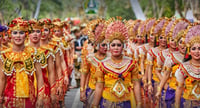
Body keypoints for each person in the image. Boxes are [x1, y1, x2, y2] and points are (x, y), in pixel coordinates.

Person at [92, 17, 141, 108]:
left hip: (127, 102)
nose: (116, 48)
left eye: (119, 45)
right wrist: (95, 105)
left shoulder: (131, 63)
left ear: (123, 47)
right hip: (107, 102)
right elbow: (99, 86)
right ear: (109, 47)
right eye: (113, 45)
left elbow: (136, 84)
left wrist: (139, 103)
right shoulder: (102, 65)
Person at [0, 18, 44, 108]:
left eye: (21, 33)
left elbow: (39, 76)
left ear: (26, 35)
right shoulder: (4, 55)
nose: (18, 36)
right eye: (15, 33)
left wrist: (40, 98)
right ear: (10, 35)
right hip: (9, 99)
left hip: (29, 99)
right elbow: (2, 79)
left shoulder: (33, 53)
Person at [156, 18, 190, 108]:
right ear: (177, 44)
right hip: (173, 91)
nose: (183, 45)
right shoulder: (171, 57)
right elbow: (166, 75)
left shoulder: (194, 59)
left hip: (190, 95)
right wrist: (159, 89)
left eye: (185, 43)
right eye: (180, 42)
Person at [28, 19, 57, 107]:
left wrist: (53, 92)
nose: (35, 34)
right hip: (27, 88)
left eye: (38, 31)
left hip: (44, 88)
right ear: (28, 34)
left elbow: (51, 72)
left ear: (41, 33)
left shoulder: (47, 52)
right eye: (32, 31)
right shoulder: (23, 52)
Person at [80, 19, 108, 108]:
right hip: (92, 88)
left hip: (108, 91)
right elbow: (84, 73)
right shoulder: (89, 57)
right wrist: (82, 90)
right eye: (103, 45)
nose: (105, 47)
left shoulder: (111, 57)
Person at [175, 24, 200, 108]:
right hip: (188, 104)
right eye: (194, 49)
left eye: (199, 48)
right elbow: (179, 88)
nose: (197, 51)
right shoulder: (183, 68)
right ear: (189, 51)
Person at [147, 17, 168, 107]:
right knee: (158, 103)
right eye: (161, 38)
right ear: (157, 39)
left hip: (171, 82)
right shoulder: (152, 51)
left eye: (165, 38)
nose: (163, 40)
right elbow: (149, 68)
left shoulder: (172, 52)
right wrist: (148, 83)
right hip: (157, 81)